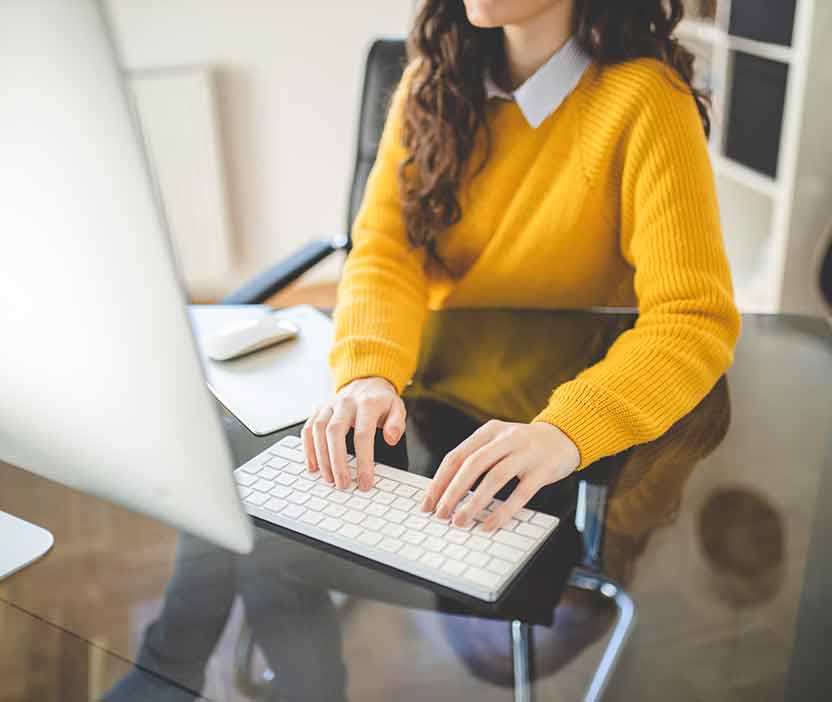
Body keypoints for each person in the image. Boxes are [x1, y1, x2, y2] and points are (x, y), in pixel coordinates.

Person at [303, 0, 740, 531]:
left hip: (566, 436)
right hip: (422, 411)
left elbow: (692, 319)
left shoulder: (648, 100)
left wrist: (568, 431)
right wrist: (368, 374)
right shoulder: (431, 81)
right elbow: (388, 252)